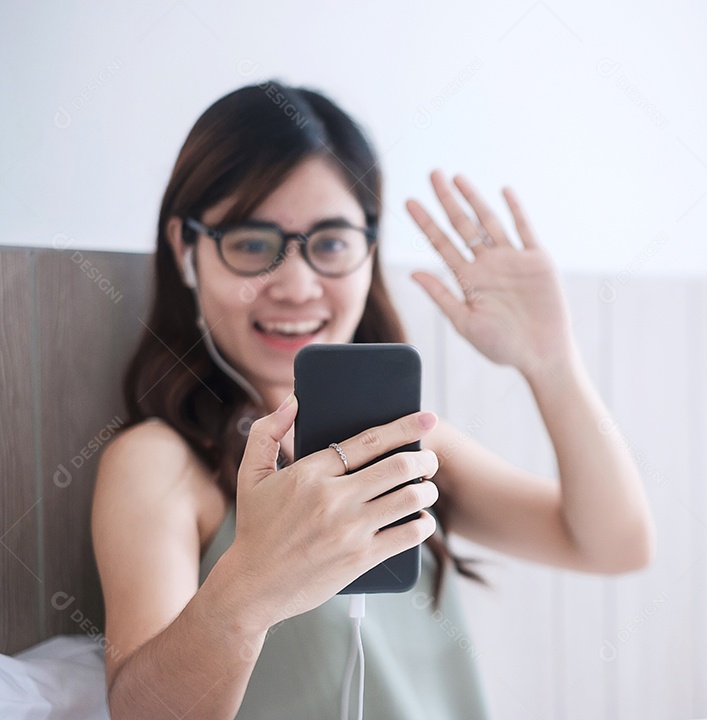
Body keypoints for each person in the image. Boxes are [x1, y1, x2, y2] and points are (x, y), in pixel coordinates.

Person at [91, 80, 655, 720]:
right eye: (251, 244)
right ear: (186, 249)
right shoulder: (159, 464)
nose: (298, 285)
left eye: (331, 243)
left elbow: (614, 544)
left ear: (369, 251)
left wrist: (552, 363)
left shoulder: (406, 443)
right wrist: (250, 586)